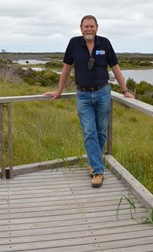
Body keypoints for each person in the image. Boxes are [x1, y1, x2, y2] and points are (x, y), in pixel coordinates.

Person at [45, 15, 134, 188]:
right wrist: (59, 91)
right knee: (89, 132)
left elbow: (115, 68)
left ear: (97, 28)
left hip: (103, 93)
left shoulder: (105, 44)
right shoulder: (74, 43)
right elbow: (66, 68)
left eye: (92, 26)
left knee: (101, 133)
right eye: (86, 26)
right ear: (81, 28)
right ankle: (98, 172)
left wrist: (125, 90)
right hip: (83, 96)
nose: (89, 29)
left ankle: (93, 163)